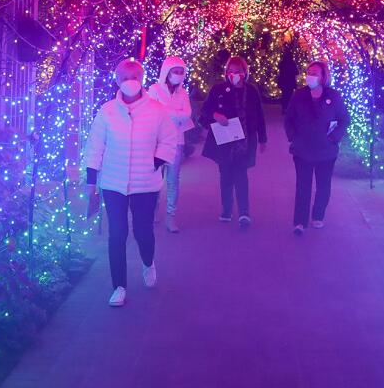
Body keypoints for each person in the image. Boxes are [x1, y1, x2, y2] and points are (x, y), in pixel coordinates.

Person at [84, 59, 179, 307]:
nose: (130, 81)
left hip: (145, 183)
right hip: (113, 183)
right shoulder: (107, 112)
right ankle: (119, 286)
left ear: (142, 79)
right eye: (124, 77)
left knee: (143, 232)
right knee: (117, 233)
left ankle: (148, 262)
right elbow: (95, 146)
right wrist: (91, 182)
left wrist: (157, 161)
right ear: (116, 80)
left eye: (134, 76)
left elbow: (169, 139)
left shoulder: (157, 110)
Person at [198, 56, 267, 227]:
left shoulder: (251, 91)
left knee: (241, 175)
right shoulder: (219, 89)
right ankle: (227, 209)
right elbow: (206, 110)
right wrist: (216, 115)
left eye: (238, 71)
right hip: (224, 140)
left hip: (245, 140)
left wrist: (263, 138)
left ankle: (244, 212)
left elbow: (259, 114)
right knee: (226, 175)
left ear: (245, 73)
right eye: (231, 71)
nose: (234, 74)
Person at [284, 60, 351, 235]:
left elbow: (344, 119)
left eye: (315, 73)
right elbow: (289, 118)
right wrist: (292, 136)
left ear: (323, 76)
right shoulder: (299, 95)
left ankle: (318, 215)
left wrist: (334, 138)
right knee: (303, 186)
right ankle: (300, 222)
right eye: (309, 72)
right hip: (302, 149)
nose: (310, 76)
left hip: (326, 151)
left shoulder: (333, 97)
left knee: (323, 185)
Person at [147, 55, 192, 233]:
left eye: (182, 72)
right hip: (156, 142)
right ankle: (152, 212)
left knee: (173, 180)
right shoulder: (154, 89)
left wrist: (165, 112)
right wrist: (175, 114)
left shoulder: (183, 92)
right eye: (176, 71)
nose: (179, 75)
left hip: (176, 142)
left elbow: (187, 114)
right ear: (167, 72)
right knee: (155, 179)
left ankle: (170, 216)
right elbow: (151, 111)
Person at [277, 42, 299, 112]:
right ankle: (287, 108)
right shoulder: (292, 63)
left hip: (283, 82)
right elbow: (296, 72)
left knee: (284, 95)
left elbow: (279, 70)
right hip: (290, 82)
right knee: (289, 95)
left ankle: (284, 107)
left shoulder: (282, 63)